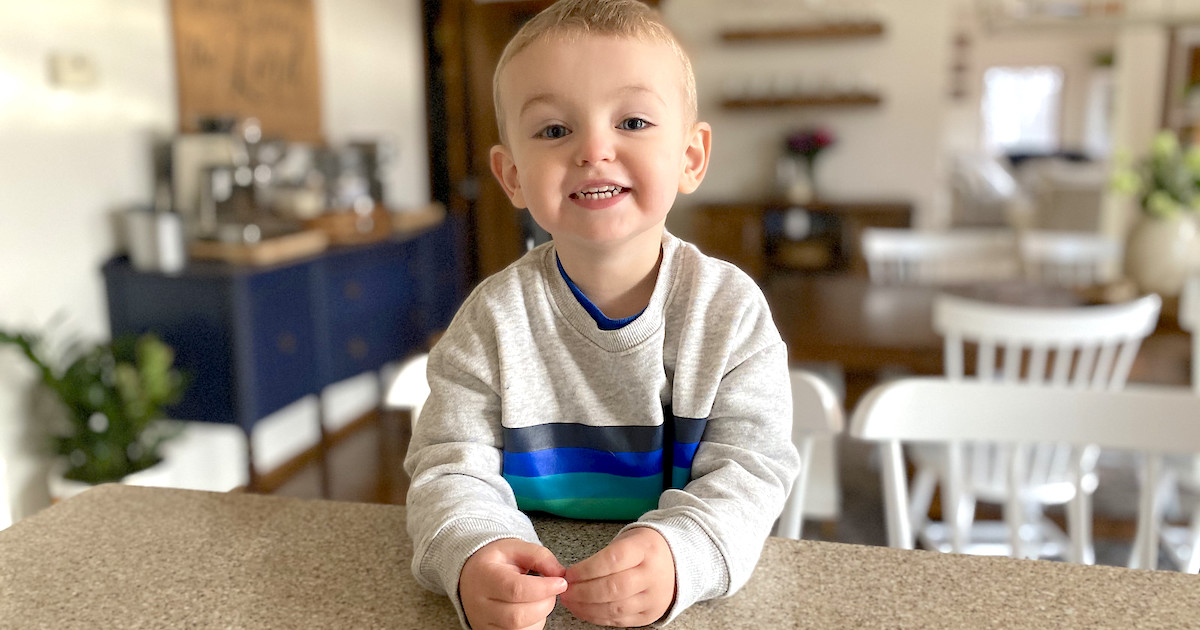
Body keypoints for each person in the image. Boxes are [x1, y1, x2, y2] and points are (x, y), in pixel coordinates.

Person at [404, 0, 801, 628]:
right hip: (534, 590)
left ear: (691, 157)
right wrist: (472, 553)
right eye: (555, 130)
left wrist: (683, 555)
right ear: (511, 176)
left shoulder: (730, 314)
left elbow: (750, 471)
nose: (594, 149)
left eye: (634, 121)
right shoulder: (490, 321)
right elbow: (449, 466)